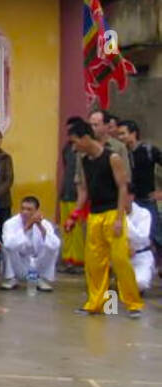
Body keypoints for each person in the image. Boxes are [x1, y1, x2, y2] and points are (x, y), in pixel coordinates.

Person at [66, 117, 143, 317]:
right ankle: (95, 302)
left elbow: (122, 187)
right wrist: (74, 214)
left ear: (84, 138)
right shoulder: (84, 161)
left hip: (111, 214)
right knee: (94, 262)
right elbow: (83, 190)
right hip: (94, 215)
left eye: (75, 142)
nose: (74, 147)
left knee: (120, 260)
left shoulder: (112, 157)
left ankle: (133, 304)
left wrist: (119, 218)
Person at [0, 196, 59, 291]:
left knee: (52, 247)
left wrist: (40, 227)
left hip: (36, 263)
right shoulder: (10, 223)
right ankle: (11, 278)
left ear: (36, 211)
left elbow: (54, 244)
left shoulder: (45, 224)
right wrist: (27, 227)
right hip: (17, 262)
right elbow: (9, 244)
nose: (25, 212)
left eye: (29, 209)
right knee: (7, 247)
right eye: (22, 209)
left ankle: (40, 278)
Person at [119, 119, 162, 249]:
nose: (121, 137)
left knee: (154, 234)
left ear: (133, 133)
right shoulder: (120, 153)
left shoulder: (149, 150)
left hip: (146, 200)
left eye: (123, 133)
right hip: (128, 201)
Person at [57, 117, 86, 271]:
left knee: (78, 229)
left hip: (79, 195)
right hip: (66, 191)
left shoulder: (85, 150)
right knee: (66, 227)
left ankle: (79, 261)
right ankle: (68, 259)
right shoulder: (67, 148)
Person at [127, 200, 155, 293]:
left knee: (140, 283)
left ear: (131, 196)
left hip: (141, 255)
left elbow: (142, 237)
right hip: (121, 256)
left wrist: (122, 218)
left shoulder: (143, 213)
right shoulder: (111, 214)